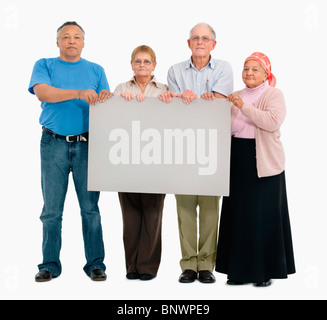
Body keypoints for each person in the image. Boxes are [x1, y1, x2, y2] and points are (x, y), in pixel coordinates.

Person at [28, 21, 113, 282]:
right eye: (66, 37)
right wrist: (77, 93)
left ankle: (96, 264)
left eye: (77, 37)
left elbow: (106, 101)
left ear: (84, 42)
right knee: (51, 210)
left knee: (90, 208)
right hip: (53, 143)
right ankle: (49, 265)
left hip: (88, 144)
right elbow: (43, 92)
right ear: (58, 42)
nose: (72, 40)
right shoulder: (44, 65)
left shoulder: (96, 70)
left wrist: (107, 98)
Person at [159, 23, 233, 283]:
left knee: (211, 208)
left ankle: (207, 265)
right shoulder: (175, 70)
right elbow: (176, 108)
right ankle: (189, 264)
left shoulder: (224, 68)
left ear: (213, 44)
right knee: (186, 207)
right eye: (195, 38)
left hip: (212, 145)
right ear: (188, 43)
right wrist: (189, 99)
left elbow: (217, 104)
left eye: (205, 38)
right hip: (183, 145)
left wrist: (192, 99)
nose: (200, 42)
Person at [215, 52, 296, 286]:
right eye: (246, 68)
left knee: (262, 217)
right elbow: (227, 128)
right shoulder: (236, 96)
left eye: (255, 69)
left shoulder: (273, 94)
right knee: (239, 215)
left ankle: (263, 273)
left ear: (265, 73)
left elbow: (271, 122)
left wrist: (243, 107)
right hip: (238, 158)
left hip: (264, 163)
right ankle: (238, 271)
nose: (249, 73)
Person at [114, 45, 168, 281]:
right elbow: (112, 121)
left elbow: (173, 121)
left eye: (147, 61)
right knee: (131, 216)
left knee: (153, 214)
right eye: (138, 61)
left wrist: (170, 101)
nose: (142, 65)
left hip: (157, 161)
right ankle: (131, 267)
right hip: (127, 159)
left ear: (154, 65)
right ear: (132, 64)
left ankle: (147, 267)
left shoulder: (165, 89)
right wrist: (121, 103)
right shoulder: (121, 88)